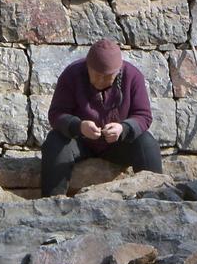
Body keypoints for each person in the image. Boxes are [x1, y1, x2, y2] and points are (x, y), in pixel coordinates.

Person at [41, 38, 162, 197]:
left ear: (118, 71)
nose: (101, 81)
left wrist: (123, 128)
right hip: (80, 142)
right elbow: (56, 114)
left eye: (107, 77)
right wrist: (79, 126)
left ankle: (156, 198)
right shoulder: (72, 74)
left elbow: (143, 115)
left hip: (118, 144)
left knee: (146, 142)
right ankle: (52, 201)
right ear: (88, 67)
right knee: (55, 141)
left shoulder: (132, 76)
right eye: (96, 75)